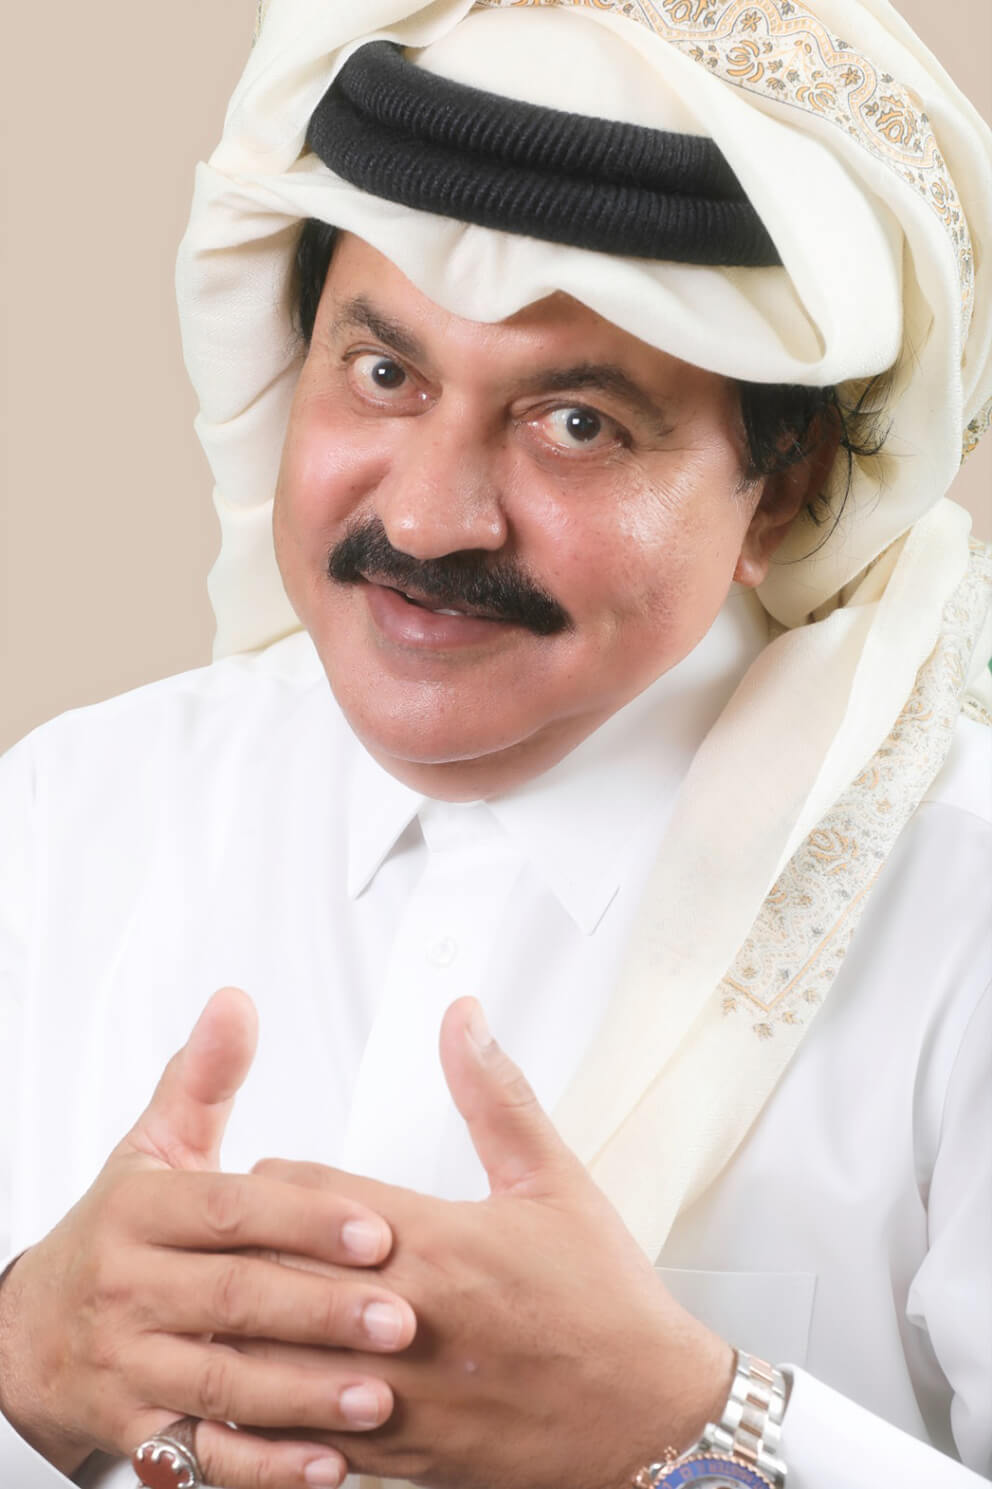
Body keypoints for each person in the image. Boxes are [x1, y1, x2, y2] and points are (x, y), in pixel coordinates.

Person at [0, 1, 990, 1486]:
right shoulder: (65, 812)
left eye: (577, 423)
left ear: (777, 496)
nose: (425, 519)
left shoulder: (963, 914)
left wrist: (695, 1427)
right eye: (382, 376)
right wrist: (23, 1355)